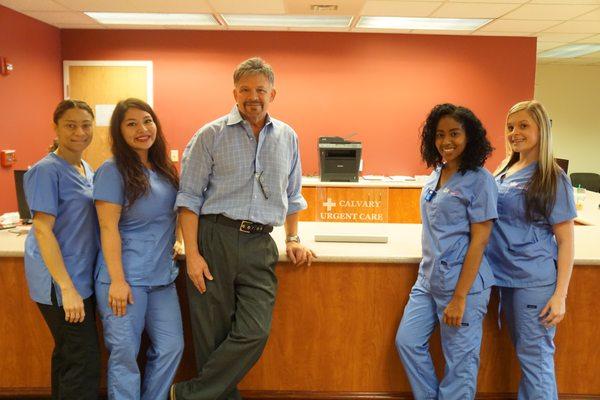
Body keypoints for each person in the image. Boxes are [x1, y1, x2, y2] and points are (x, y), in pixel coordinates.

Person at [171, 57, 316, 400]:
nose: (254, 96)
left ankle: (187, 394)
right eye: (246, 89)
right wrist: (192, 254)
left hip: (260, 243)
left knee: (255, 331)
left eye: (261, 90)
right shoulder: (210, 135)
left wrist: (293, 238)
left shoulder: (287, 137)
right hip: (214, 238)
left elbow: (293, 195)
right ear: (234, 92)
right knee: (212, 335)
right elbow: (188, 198)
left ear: (273, 93)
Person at [395, 103, 497, 399]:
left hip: (461, 285)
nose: (446, 141)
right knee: (408, 342)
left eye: (454, 133)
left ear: (470, 137)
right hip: (428, 281)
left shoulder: (480, 180)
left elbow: (480, 240)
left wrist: (460, 297)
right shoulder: (437, 172)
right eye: (440, 135)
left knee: (460, 364)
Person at [94, 98, 184, 399]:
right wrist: (117, 281)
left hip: (161, 278)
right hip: (125, 280)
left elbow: (175, 212)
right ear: (119, 132)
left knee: (172, 347)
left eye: (147, 120)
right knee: (124, 355)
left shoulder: (163, 168)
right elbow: (108, 228)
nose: (142, 129)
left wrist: (180, 238)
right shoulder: (112, 170)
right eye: (131, 123)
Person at [486, 100, 576, 399]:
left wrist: (560, 296)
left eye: (524, 126)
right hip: (505, 277)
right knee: (526, 357)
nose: (515, 133)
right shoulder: (507, 167)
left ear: (542, 129)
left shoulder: (552, 176)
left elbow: (565, 240)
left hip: (532, 282)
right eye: (511, 127)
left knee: (535, 362)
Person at [23, 99, 100, 399]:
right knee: (83, 360)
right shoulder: (46, 171)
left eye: (85, 125)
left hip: (80, 276)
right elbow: (42, 229)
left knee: (70, 356)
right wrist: (67, 288)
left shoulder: (84, 167)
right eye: (70, 125)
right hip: (60, 281)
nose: (79, 132)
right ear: (55, 128)